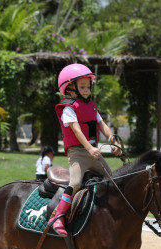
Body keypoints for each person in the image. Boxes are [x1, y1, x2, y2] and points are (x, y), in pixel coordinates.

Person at [49, 63, 118, 236]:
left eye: (88, 86)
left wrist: (113, 141)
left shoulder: (92, 106)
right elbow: (76, 130)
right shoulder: (68, 108)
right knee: (76, 183)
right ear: (70, 88)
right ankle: (58, 216)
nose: (87, 90)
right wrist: (89, 148)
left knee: (112, 180)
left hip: (93, 152)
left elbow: (102, 125)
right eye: (82, 87)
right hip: (78, 153)